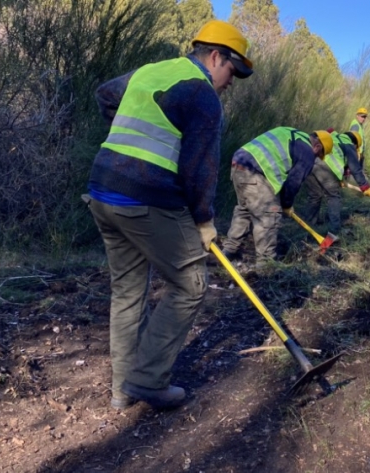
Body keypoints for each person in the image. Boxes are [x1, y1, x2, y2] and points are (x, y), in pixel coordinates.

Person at [83, 20, 253, 410]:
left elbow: (105, 94)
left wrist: (125, 146)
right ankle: (148, 380)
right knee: (191, 284)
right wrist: (204, 221)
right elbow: (200, 169)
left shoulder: (151, 71)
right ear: (215, 57)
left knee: (127, 291)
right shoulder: (203, 95)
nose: (230, 83)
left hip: (102, 190)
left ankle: (122, 390)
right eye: (231, 72)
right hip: (146, 198)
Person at [221, 127, 334, 264]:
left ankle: (229, 251)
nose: (315, 158)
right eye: (319, 155)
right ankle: (266, 264)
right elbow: (293, 182)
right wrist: (286, 204)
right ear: (317, 146)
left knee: (245, 210)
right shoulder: (308, 152)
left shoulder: (289, 133)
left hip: (239, 162)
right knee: (269, 215)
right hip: (256, 172)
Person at [304, 130, 370, 234]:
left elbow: (338, 158)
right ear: (355, 143)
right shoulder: (348, 144)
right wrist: (365, 186)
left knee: (315, 195)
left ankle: (309, 225)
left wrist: (339, 179)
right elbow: (355, 168)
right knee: (333, 196)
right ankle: (335, 229)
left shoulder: (333, 137)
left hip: (309, 162)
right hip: (325, 167)